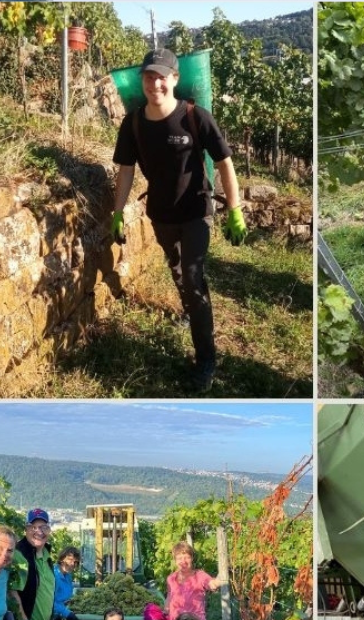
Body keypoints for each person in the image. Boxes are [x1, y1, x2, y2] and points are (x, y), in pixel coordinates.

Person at [111, 48, 248, 392]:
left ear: (174, 79)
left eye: (161, 76)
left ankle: (206, 358)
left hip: (196, 213)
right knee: (176, 269)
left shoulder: (194, 116)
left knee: (192, 276)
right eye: (148, 77)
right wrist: (117, 213)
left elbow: (224, 164)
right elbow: (126, 171)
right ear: (141, 81)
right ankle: (190, 312)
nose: (154, 83)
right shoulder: (134, 123)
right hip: (160, 214)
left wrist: (234, 209)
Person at [10, 508, 56, 620]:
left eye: (43, 527)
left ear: (48, 530)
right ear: (26, 529)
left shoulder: (46, 554)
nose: (38, 532)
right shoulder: (20, 555)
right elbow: (12, 593)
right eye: (33, 527)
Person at [165, 543, 226, 620]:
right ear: (175, 560)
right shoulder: (171, 578)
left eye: (187, 557)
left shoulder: (200, 575)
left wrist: (218, 580)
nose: (183, 561)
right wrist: (166, 609)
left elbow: (211, 583)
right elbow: (169, 595)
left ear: (192, 558)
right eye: (179, 558)